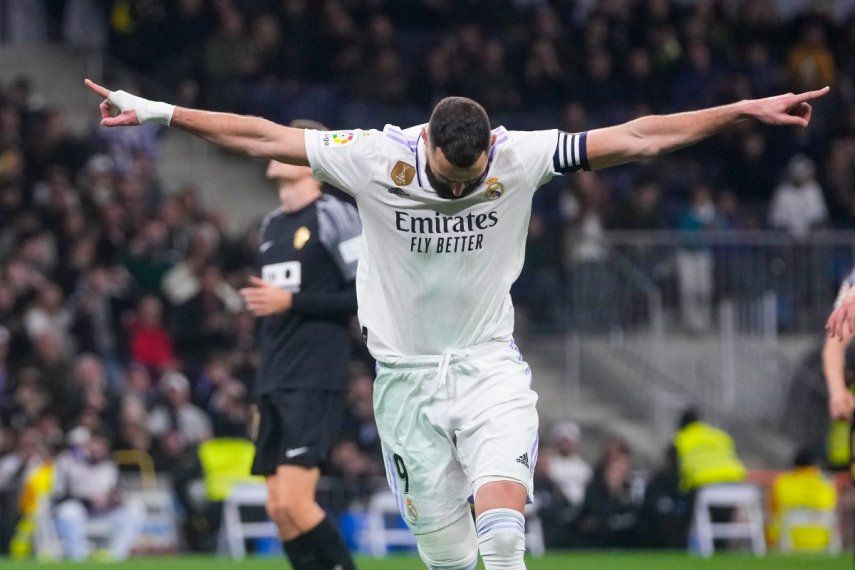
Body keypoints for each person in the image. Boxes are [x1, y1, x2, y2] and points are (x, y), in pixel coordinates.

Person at [85, 77, 828, 569]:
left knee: (501, 538)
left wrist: (738, 111)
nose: (458, 189)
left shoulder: (518, 156)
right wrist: (159, 112)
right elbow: (260, 136)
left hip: (486, 368)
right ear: (427, 145)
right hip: (404, 383)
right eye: (448, 178)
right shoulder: (371, 157)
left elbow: (639, 137)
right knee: (447, 557)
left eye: (470, 182)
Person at [238, 123, 361, 570]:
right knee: (278, 507)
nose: (274, 150)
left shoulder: (335, 216)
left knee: (295, 500)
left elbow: (365, 293)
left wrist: (291, 302)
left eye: (287, 143)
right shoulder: (271, 226)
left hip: (315, 374)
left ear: (312, 160)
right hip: (275, 376)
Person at [768, 448, 837, 552]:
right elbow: (831, 506)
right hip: (821, 539)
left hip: (790, 540)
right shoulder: (825, 482)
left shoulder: (783, 481)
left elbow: (773, 510)